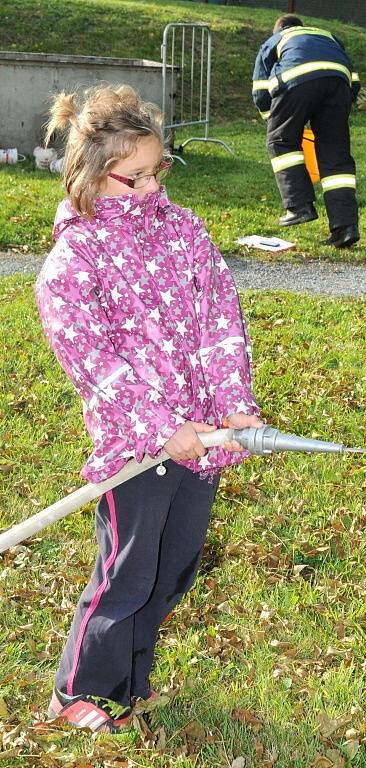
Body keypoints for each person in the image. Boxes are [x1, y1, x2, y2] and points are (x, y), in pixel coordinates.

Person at [36, 84, 262, 733]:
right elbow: (93, 365)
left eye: (155, 171)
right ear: (86, 173)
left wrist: (234, 407)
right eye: (129, 178)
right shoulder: (73, 260)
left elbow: (221, 321)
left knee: (172, 572)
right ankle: (75, 691)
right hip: (137, 448)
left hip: (203, 442)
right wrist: (162, 429)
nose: (147, 189)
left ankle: (127, 685)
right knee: (126, 576)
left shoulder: (185, 231)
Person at [252, 14, 361, 248]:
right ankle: (345, 227)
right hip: (338, 84)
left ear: (279, 29)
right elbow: (354, 80)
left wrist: (274, 120)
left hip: (295, 80)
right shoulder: (328, 37)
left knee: (280, 141)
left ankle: (299, 206)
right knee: (336, 158)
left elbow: (261, 91)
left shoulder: (276, 39)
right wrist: (334, 112)